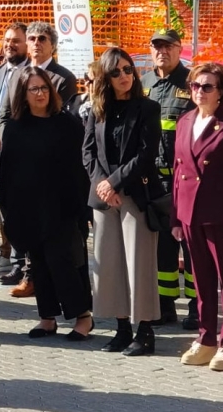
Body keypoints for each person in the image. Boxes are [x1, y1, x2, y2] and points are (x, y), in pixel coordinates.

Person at [0, 67, 91, 341]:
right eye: (33, 89)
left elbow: (78, 169)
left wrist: (80, 209)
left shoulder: (67, 124)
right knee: (38, 263)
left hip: (61, 208)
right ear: (23, 95)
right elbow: (7, 171)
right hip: (28, 208)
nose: (40, 94)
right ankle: (47, 318)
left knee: (64, 262)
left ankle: (82, 317)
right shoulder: (14, 127)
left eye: (44, 88)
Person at [82, 47, 161, 357]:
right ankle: (121, 328)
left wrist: (113, 182)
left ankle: (144, 330)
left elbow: (146, 154)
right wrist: (102, 185)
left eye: (128, 69)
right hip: (104, 198)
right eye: (115, 72)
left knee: (138, 264)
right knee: (110, 264)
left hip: (135, 194)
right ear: (105, 77)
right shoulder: (96, 109)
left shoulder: (148, 108)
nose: (124, 76)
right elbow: (87, 151)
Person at [173, 63, 223, 372]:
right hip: (190, 212)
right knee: (200, 280)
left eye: (207, 87)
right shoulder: (184, 121)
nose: (199, 92)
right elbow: (179, 171)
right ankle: (205, 338)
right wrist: (176, 218)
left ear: (221, 92)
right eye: (195, 85)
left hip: (219, 213)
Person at [0, 20, 78, 297]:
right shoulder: (16, 74)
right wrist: (10, 141)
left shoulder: (62, 77)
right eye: (31, 38)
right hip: (19, 159)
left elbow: (58, 118)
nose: (36, 43)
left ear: (53, 44)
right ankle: (26, 270)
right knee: (22, 220)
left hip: (49, 166)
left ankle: (46, 283)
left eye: (42, 38)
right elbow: (6, 116)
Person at [140, 29, 198, 329]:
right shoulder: (144, 83)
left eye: (168, 47)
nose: (162, 51)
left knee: (191, 247)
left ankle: (196, 307)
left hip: (185, 179)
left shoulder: (192, 83)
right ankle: (164, 306)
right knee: (162, 247)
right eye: (156, 47)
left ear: (179, 49)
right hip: (157, 181)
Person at [0, 23, 28, 276]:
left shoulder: (30, 75)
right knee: (3, 206)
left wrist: (4, 134)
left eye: (16, 41)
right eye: (7, 40)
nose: (10, 44)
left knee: (20, 206)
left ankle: (21, 262)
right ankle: (11, 255)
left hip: (18, 152)